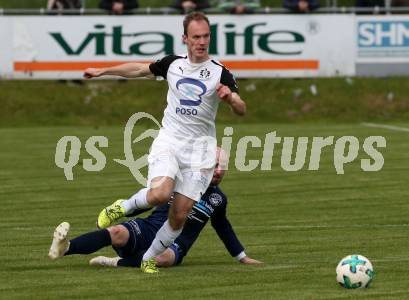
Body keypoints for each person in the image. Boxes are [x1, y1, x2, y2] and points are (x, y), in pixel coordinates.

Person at [83, 12, 246, 274]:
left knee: (179, 214)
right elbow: (137, 69)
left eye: (205, 36)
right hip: (170, 141)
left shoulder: (220, 73)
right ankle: (121, 207)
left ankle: (149, 257)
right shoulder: (172, 64)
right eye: (196, 37)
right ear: (185, 38)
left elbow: (241, 108)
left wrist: (231, 99)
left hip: (200, 152)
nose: (201, 42)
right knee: (159, 193)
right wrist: (104, 71)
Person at [48, 148, 262, 268]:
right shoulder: (178, 181)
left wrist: (241, 257)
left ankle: (116, 262)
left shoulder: (218, 200)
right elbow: (149, 200)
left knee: (162, 258)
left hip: (175, 245)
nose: (217, 170)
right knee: (117, 233)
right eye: (212, 165)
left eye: (221, 167)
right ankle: (65, 247)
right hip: (149, 228)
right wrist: (122, 212)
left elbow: (223, 228)